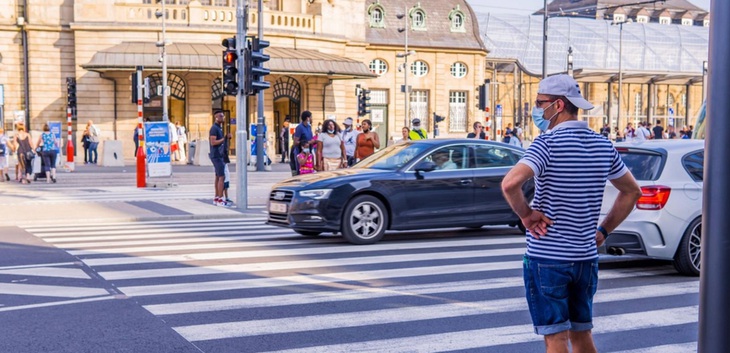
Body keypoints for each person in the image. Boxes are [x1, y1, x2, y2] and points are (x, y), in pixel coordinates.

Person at [500, 74, 642, 353]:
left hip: (548, 258)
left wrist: (527, 216)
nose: (536, 109)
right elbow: (632, 191)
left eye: (540, 103)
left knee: (555, 338)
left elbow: (510, 183)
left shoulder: (547, 143)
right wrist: (603, 231)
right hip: (585, 259)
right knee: (581, 334)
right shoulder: (603, 144)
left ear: (559, 105)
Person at [209, 110, 231, 207]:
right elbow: (213, 142)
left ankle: (217, 197)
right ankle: (221, 199)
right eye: (221, 116)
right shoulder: (214, 128)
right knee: (222, 177)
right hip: (217, 155)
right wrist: (225, 138)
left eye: (223, 116)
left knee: (218, 176)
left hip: (219, 155)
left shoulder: (219, 128)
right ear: (216, 117)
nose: (223, 118)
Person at [290, 110, 313, 176]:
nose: (312, 119)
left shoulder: (309, 127)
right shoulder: (299, 127)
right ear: (307, 118)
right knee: (301, 170)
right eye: (311, 117)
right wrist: (307, 142)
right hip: (301, 152)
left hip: (308, 151)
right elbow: (295, 142)